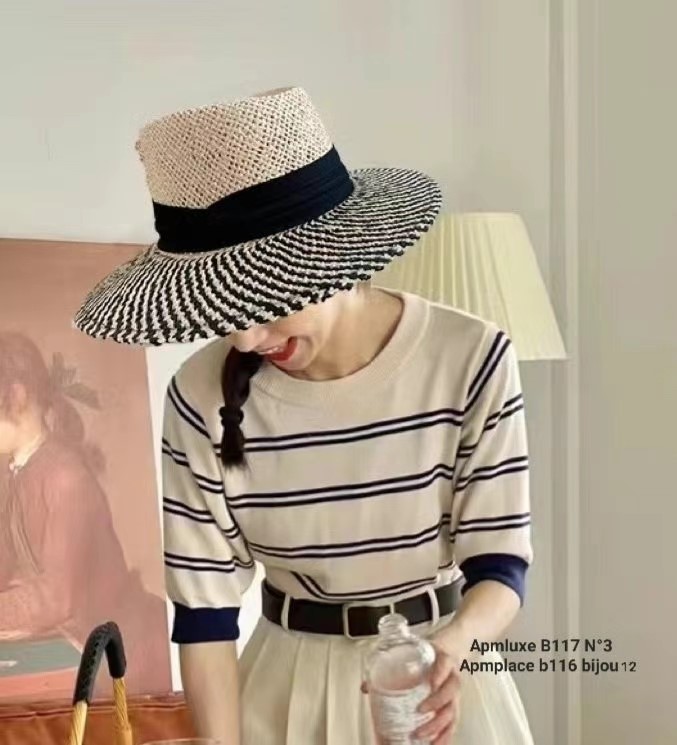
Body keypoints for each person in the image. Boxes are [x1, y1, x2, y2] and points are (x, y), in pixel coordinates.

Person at [74, 86, 534, 743]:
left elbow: (500, 563)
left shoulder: (470, 357)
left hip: (436, 677)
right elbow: (204, 616)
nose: (246, 338)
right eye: (226, 306)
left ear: (330, 253)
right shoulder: (199, 395)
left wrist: (452, 646)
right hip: (285, 695)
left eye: (264, 298)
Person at [0, 331, 169, 696]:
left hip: (119, 650)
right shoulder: (17, 472)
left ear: (17, 397)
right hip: (74, 644)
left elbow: (57, 597)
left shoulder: (64, 477)